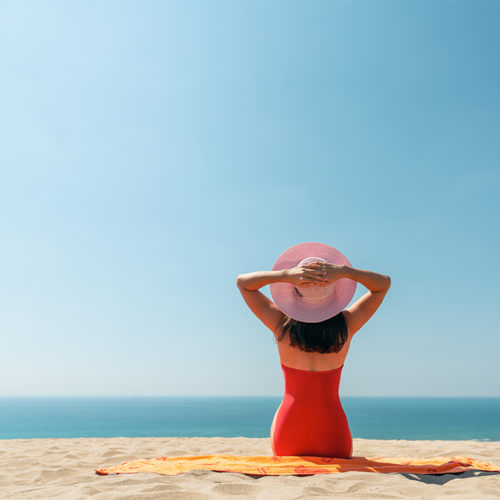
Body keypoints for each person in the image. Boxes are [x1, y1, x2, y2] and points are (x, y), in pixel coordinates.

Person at [236, 242, 391, 458]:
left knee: (280, 414)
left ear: (295, 290)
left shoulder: (280, 324)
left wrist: (286, 275)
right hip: (333, 437)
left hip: (288, 437)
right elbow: (383, 284)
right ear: (335, 292)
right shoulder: (347, 325)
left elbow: (243, 282)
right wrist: (345, 272)